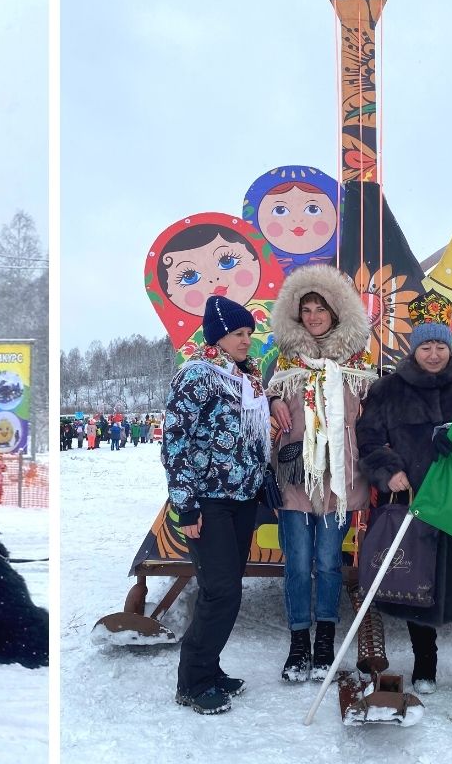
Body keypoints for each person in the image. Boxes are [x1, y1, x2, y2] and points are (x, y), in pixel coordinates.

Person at [355, 293, 452, 703]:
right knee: (420, 583)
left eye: (440, 345)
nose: (433, 354)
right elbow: (369, 439)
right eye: (425, 346)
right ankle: (425, 663)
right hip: (415, 503)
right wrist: (390, 470)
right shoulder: (387, 390)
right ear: (413, 348)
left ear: (450, 347)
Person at [265, 265, 375, 682]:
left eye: (320, 309)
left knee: (329, 562)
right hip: (296, 475)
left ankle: (325, 638)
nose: (312, 316)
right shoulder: (285, 362)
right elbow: (264, 405)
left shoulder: (359, 360)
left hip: (339, 480)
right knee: (296, 562)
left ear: (336, 312)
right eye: (306, 309)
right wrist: (272, 400)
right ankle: (298, 643)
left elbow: (373, 415)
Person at [163, 295, 272, 714]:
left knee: (226, 590)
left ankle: (209, 668)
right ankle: (192, 682)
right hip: (208, 501)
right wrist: (185, 506)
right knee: (219, 591)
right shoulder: (197, 376)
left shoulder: (246, 377)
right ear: (218, 337)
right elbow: (175, 443)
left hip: (241, 499)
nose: (247, 341)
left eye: (249, 333)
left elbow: (252, 438)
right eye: (239, 334)